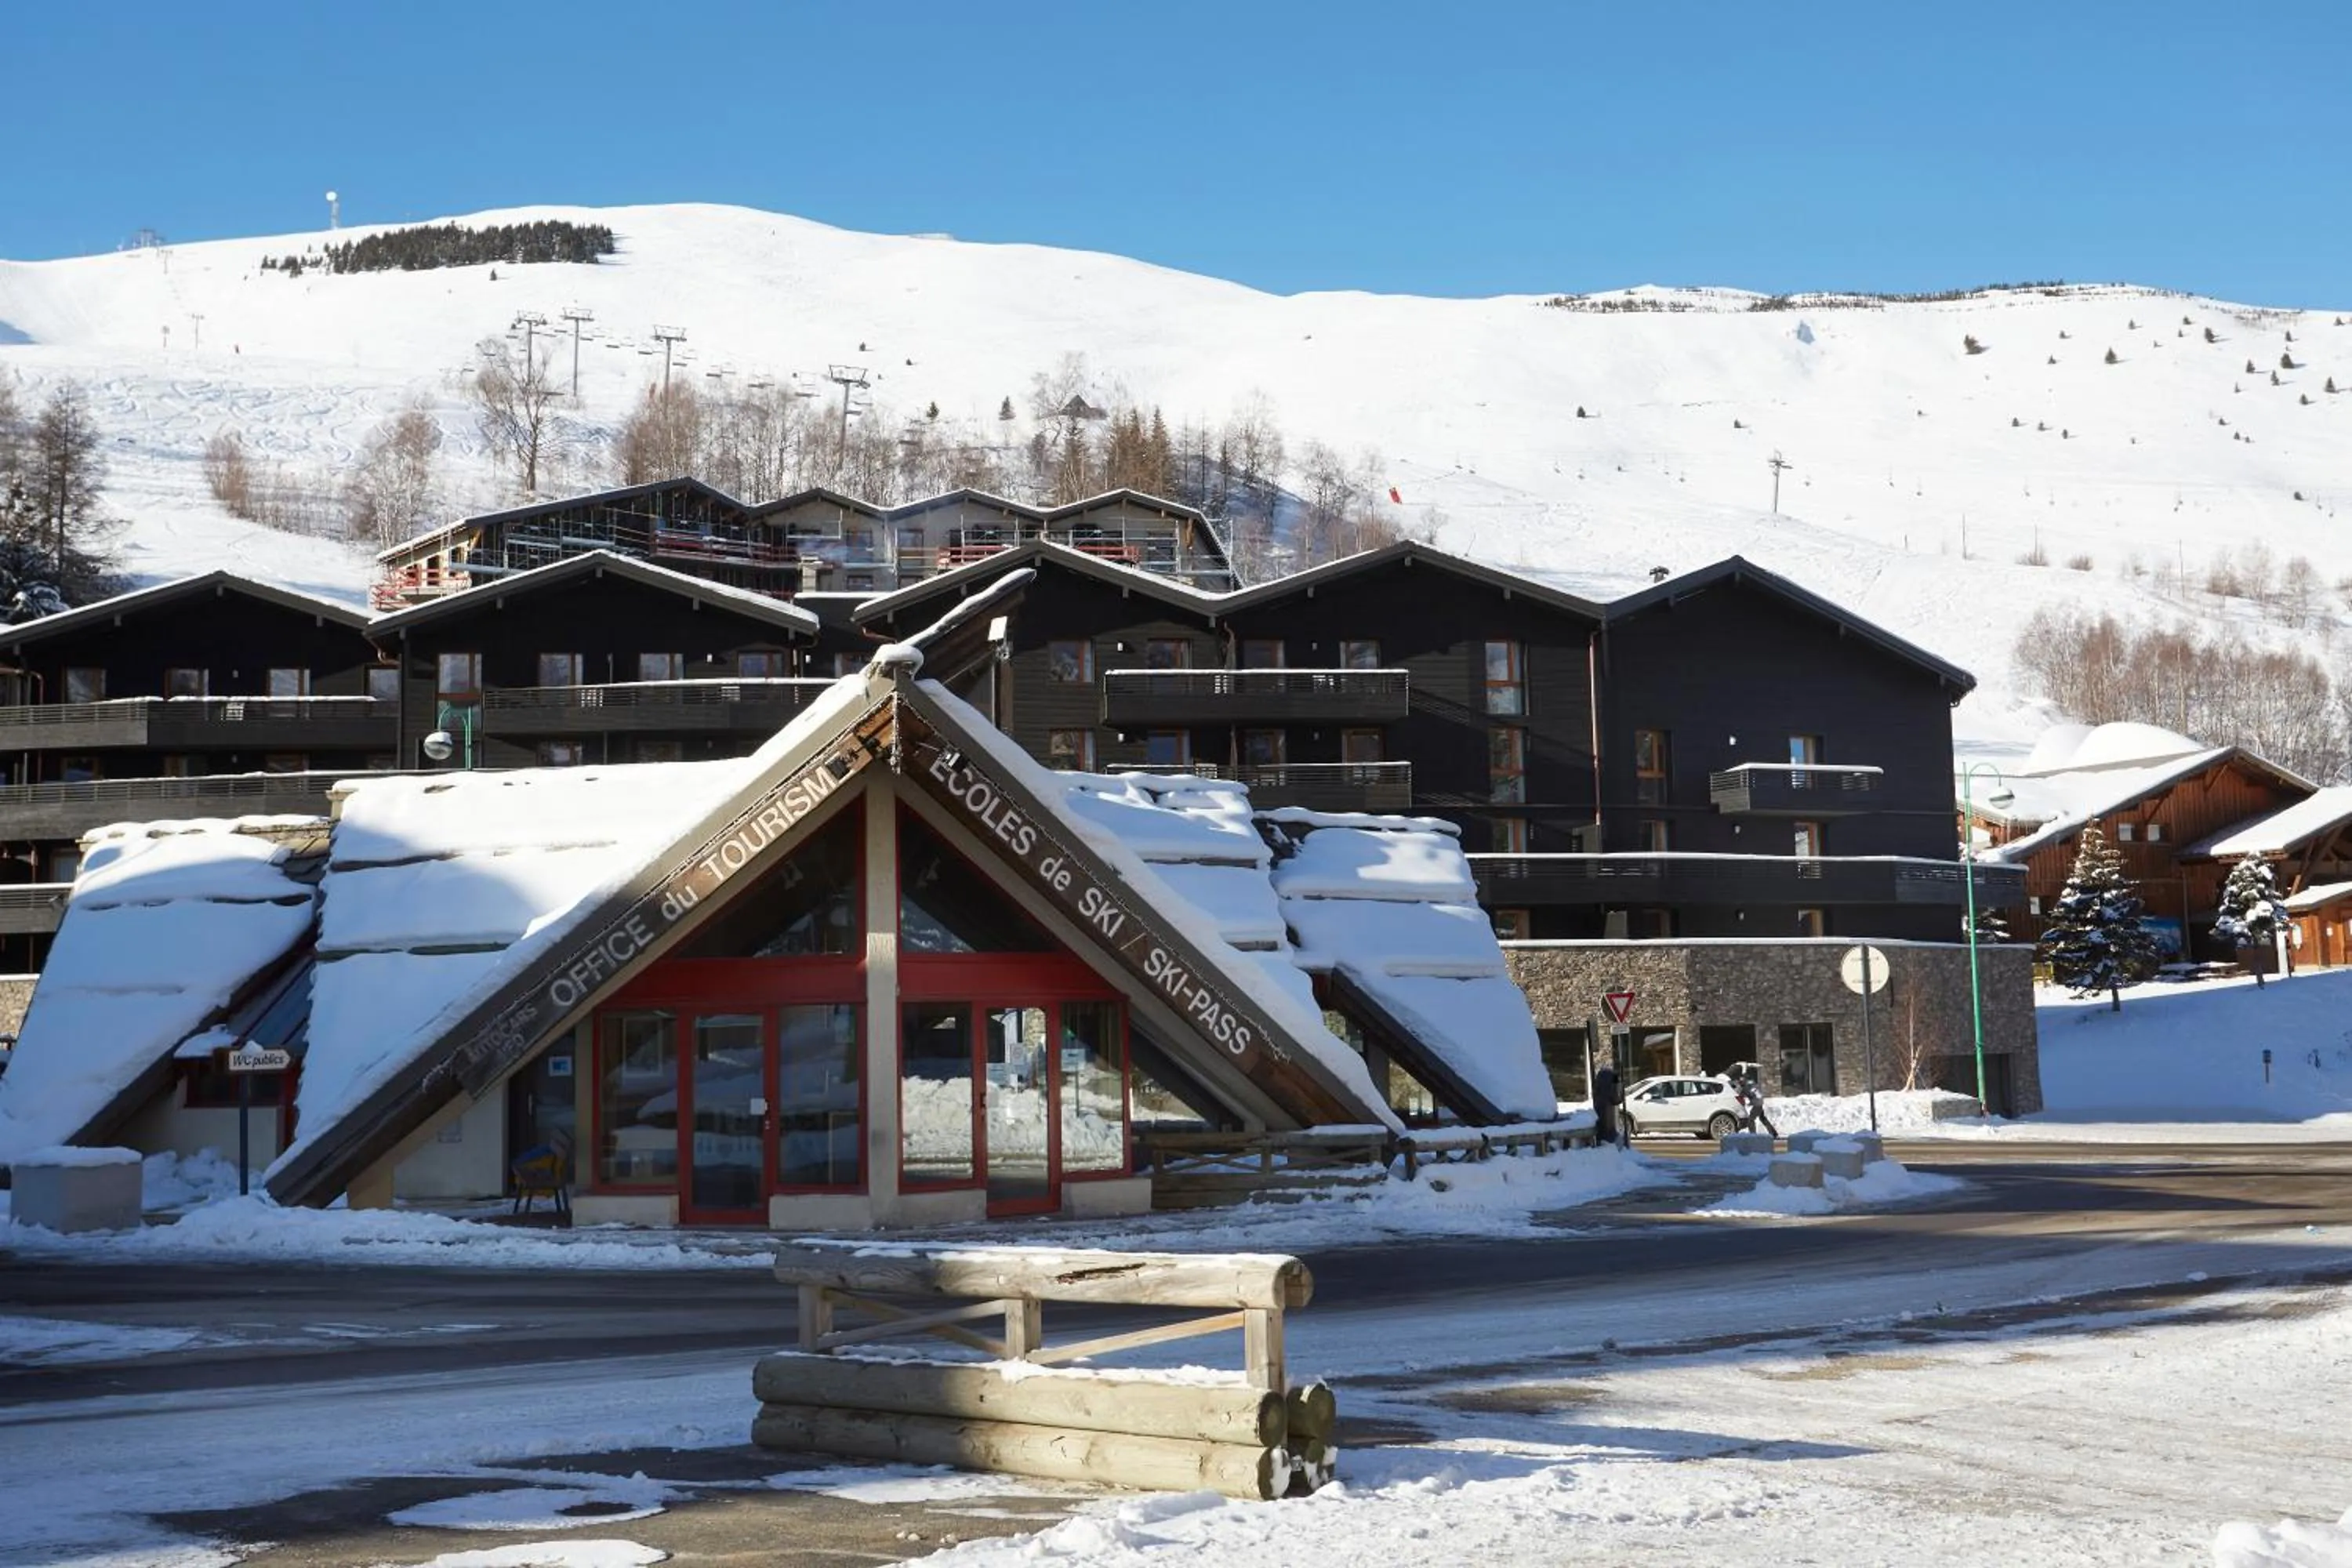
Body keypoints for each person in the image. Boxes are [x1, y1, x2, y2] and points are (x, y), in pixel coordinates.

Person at [1737, 1070, 1779, 1139]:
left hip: (1757, 1105)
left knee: (1751, 1120)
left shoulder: (1746, 1088)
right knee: (1763, 1118)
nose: (1740, 1081)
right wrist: (1751, 1102)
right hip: (1760, 1102)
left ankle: (1753, 1135)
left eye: (1742, 1080)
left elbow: (1741, 1095)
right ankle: (1774, 1133)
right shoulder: (1754, 1084)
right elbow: (1754, 1095)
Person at [1593, 1063, 1621, 1147]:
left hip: (1600, 1105)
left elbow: (1596, 1090)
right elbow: (1616, 1095)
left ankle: (1602, 1139)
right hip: (1608, 1104)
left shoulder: (1600, 1076)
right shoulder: (1614, 1076)